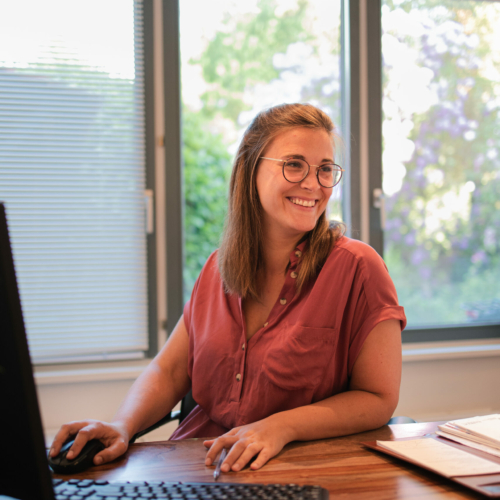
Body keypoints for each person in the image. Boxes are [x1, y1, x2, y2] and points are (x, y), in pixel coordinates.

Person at [50, 103, 406, 474]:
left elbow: (378, 398)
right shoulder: (217, 268)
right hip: (192, 467)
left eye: (325, 169)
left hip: (294, 471)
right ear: (249, 170)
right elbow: (170, 372)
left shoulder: (358, 268)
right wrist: (123, 425)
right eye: (294, 164)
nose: (314, 185)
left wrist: (281, 426)